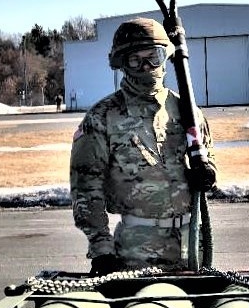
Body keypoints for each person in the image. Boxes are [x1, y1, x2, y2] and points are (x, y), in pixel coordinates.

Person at [69, 16, 216, 276]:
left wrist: (208, 173)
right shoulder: (102, 117)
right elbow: (85, 190)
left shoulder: (187, 111)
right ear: (123, 64)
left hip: (191, 246)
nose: (146, 67)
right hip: (135, 253)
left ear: (165, 58)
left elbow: (207, 158)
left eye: (154, 57)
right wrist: (102, 249)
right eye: (136, 60)